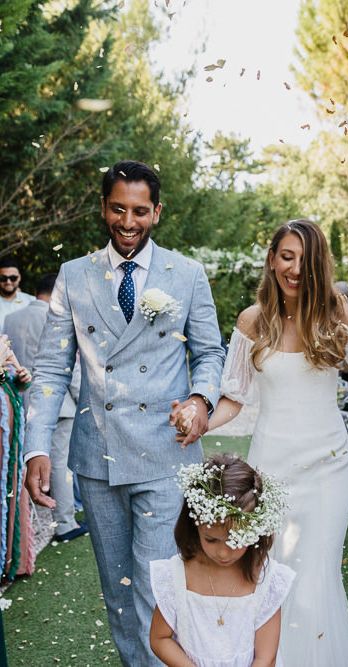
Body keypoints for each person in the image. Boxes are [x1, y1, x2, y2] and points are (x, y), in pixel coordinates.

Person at [24, 160, 226, 666]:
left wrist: (201, 400)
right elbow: (50, 370)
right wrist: (38, 447)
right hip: (98, 460)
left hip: (166, 453)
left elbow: (209, 353)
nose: (128, 221)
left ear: (157, 212)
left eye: (140, 210)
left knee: (155, 593)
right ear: (104, 208)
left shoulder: (187, 274)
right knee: (118, 595)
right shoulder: (74, 275)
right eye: (118, 208)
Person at [182, 219, 348, 666]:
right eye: (286, 257)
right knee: (270, 574)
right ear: (272, 259)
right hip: (270, 468)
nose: (294, 269)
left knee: (313, 578)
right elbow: (233, 396)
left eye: (305, 261)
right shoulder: (253, 320)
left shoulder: (338, 314)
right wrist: (201, 422)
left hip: (327, 469)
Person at [149, 454, 295, 667]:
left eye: (235, 540)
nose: (224, 553)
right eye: (211, 540)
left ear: (255, 531)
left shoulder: (266, 580)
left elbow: (266, 657)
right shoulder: (177, 575)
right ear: (194, 526)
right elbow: (159, 639)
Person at [4, 273, 87, 542]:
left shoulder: (11, 319)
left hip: (21, 401)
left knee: (27, 461)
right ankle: (64, 523)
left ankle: (27, 523)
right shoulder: (57, 318)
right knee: (60, 464)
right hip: (58, 404)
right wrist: (82, 399)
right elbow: (68, 365)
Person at [0, 336, 34, 579]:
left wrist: (19, 379)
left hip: (9, 435)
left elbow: (10, 379)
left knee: (11, 489)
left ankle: (11, 560)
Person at [0, 257, 34, 332]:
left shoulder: (31, 301)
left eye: (13, 278)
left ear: (19, 278)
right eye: (3, 278)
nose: (8, 282)